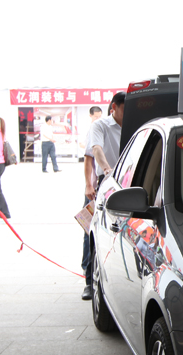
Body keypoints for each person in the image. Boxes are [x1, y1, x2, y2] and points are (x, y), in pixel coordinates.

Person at [84, 92, 125, 298]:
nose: (127, 114)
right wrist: (103, 173)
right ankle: (89, 280)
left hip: (126, 182)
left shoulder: (134, 125)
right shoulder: (100, 126)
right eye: (124, 109)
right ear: (114, 108)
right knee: (92, 230)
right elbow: (94, 151)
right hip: (104, 182)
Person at [80, 106, 103, 300]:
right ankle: (88, 281)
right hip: (95, 191)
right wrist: (88, 185)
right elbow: (88, 159)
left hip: (113, 188)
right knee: (89, 233)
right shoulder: (97, 128)